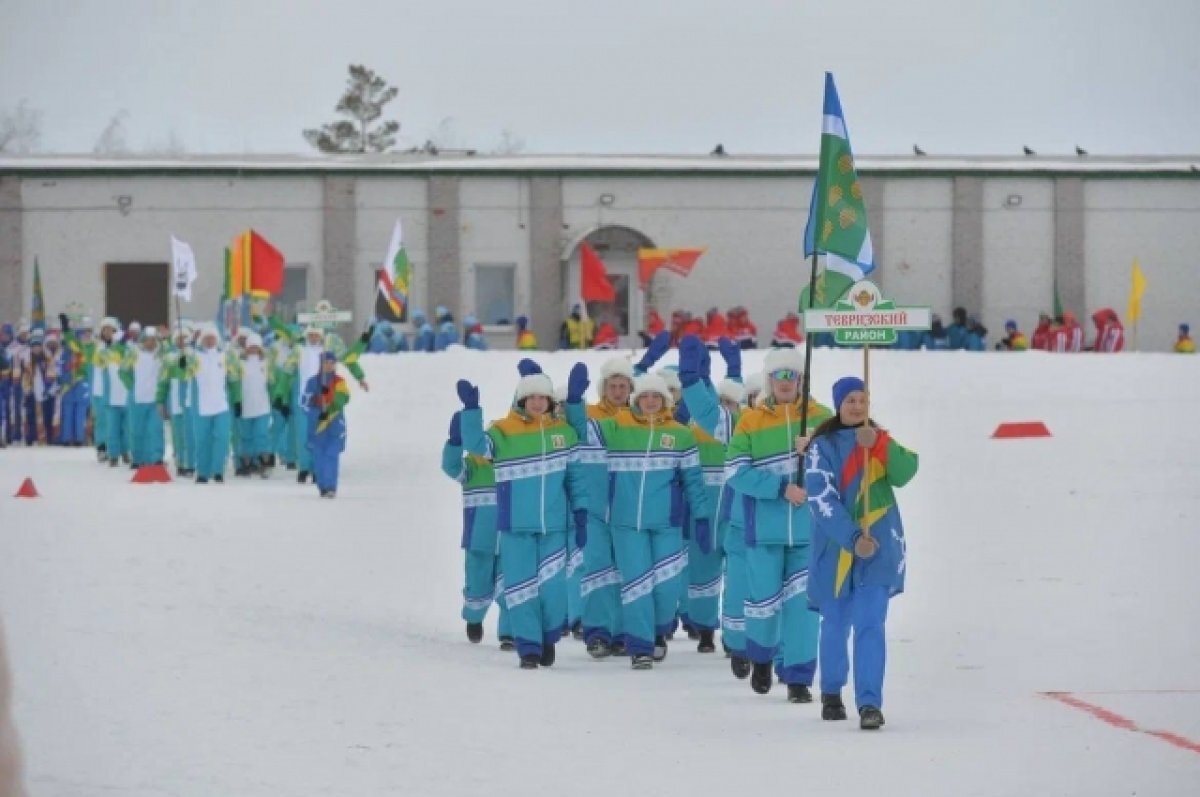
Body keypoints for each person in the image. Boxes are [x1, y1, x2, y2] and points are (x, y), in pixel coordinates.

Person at [567, 364, 709, 670]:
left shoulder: (681, 435)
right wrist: (574, 399)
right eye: (644, 397)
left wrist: (702, 517)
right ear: (636, 400)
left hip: (666, 523)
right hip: (626, 523)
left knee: (666, 585)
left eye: (655, 396)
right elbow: (580, 429)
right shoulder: (617, 427)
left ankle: (658, 632)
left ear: (665, 400)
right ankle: (640, 646)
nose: (650, 401)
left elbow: (694, 482)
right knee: (636, 583)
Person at [804, 376, 919, 730]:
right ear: (838, 404)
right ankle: (832, 690)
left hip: (879, 549)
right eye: (850, 399)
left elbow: (906, 471)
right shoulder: (821, 446)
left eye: (862, 399)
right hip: (836, 551)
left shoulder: (877, 439)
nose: (857, 405)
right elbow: (821, 499)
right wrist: (853, 538)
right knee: (836, 623)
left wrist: (881, 445)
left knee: (871, 624)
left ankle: (870, 702)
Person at [457, 371, 588, 669]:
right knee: (519, 587)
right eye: (532, 397)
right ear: (522, 400)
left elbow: (576, 478)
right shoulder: (503, 431)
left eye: (543, 397)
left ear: (551, 401)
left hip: (554, 526)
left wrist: (580, 513)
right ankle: (528, 646)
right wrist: (471, 411)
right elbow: (477, 445)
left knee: (553, 589)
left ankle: (548, 636)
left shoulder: (564, 433)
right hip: (515, 526)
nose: (538, 403)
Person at [725, 346, 834, 702]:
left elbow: (843, 465)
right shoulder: (751, 420)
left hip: (810, 530)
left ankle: (799, 678)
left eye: (792, 375)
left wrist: (816, 448)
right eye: (780, 376)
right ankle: (761, 658)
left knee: (803, 605)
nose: (786, 382)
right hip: (764, 530)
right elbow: (735, 471)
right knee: (763, 602)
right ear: (770, 380)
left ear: (801, 379)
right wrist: (779, 488)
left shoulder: (821, 417)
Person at [563, 332, 672, 659]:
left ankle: (629, 630)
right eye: (612, 386)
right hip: (597, 509)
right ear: (603, 389)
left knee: (631, 570)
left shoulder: (639, 420)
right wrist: (572, 401)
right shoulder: (594, 417)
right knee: (598, 568)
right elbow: (576, 429)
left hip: (629, 510)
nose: (618, 391)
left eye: (624, 386)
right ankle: (597, 632)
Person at [677, 336, 742, 656]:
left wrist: (734, 368)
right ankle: (704, 627)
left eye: (731, 403)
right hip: (703, 505)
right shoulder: (695, 427)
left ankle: (736, 632)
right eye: (721, 403)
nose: (726, 409)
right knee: (703, 570)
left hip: (736, 508)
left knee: (738, 573)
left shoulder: (741, 426)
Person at [441, 408, 513, 649]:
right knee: (478, 584)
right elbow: (451, 467)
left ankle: (509, 633)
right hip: (479, 538)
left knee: (510, 585)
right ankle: (474, 618)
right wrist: (454, 443)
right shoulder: (472, 466)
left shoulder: (510, 465)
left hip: (509, 538)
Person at [184, 325, 232, 484]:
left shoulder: (224, 357)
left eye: (212, 338)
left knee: (222, 438)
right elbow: (181, 369)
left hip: (221, 404)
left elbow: (236, 375)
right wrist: (185, 354)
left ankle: (218, 470)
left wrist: (237, 398)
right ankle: (203, 472)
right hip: (201, 404)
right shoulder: (195, 357)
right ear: (201, 340)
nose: (210, 341)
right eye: (207, 338)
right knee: (202, 439)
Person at [302, 352, 351, 498]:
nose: (328, 365)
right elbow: (304, 404)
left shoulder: (339, 382)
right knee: (319, 456)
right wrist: (317, 410)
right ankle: (322, 485)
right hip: (318, 426)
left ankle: (331, 486)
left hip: (335, 424)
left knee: (332, 455)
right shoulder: (312, 382)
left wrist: (330, 402)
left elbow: (344, 398)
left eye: (331, 363)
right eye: (326, 362)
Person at [121, 327, 165, 468]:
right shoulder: (134, 353)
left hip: (156, 399)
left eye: (154, 340)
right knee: (136, 429)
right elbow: (122, 371)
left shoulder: (161, 354)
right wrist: (132, 387)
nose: (151, 343)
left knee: (155, 429)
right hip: (137, 398)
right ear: (142, 340)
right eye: (148, 340)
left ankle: (156, 457)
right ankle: (138, 458)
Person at [231, 332, 273, 477]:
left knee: (261, 435)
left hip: (262, 405)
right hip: (245, 405)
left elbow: (271, 383)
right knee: (246, 437)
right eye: (251, 346)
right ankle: (246, 464)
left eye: (256, 346)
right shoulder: (239, 363)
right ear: (246, 347)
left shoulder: (266, 363)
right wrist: (236, 401)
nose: (254, 349)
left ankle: (264, 464)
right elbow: (235, 383)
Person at [162, 326, 195, 477]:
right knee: (178, 434)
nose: (182, 342)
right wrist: (160, 400)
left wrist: (186, 361)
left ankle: (191, 463)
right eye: (179, 339)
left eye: (185, 338)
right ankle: (181, 462)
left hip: (191, 400)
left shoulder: (194, 355)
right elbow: (164, 380)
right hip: (175, 400)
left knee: (191, 433)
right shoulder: (169, 357)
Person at [21, 331, 58, 445]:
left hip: (46, 390)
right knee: (31, 415)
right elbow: (25, 377)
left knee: (48, 415)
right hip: (32, 390)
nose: (36, 349)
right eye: (34, 347)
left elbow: (52, 374)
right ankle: (31, 437)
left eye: (38, 346)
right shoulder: (27, 360)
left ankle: (48, 438)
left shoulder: (48, 358)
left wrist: (49, 389)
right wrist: (27, 389)